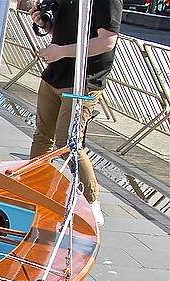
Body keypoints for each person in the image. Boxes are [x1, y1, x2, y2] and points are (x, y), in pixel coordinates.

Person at [29, 0, 122, 226]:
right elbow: (64, 27)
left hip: (83, 80)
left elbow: (107, 42)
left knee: (68, 144)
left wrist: (61, 51)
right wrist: (44, 23)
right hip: (55, 74)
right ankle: (31, 190)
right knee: (42, 136)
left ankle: (91, 201)